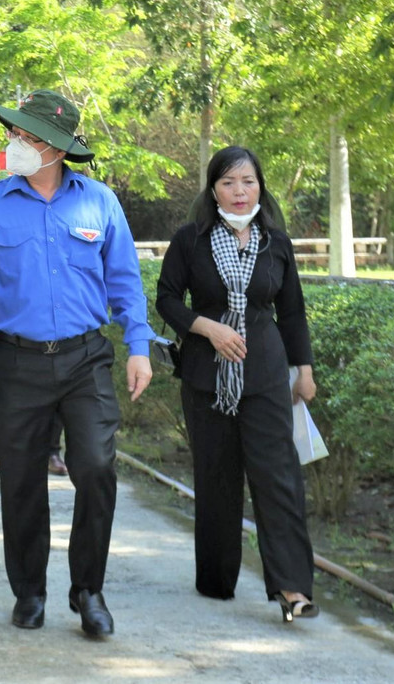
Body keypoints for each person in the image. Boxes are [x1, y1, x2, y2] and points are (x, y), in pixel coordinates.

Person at [0, 89, 153, 639]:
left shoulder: (99, 202)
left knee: (95, 467)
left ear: (57, 148)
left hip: (84, 358)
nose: (16, 143)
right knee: (20, 481)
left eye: (28, 136)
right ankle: (30, 592)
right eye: (14, 134)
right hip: (15, 361)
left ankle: (88, 590)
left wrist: (138, 345)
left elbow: (124, 283)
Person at [155, 145, 318, 622]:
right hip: (207, 375)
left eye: (248, 181)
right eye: (228, 182)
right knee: (217, 477)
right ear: (213, 189)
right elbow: (167, 299)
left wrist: (303, 370)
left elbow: (292, 313)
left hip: (265, 372)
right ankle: (216, 579)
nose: (239, 191)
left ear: (260, 186)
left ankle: (292, 588)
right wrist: (207, 328)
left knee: (278, 477)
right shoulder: (190, 240)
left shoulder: (276, 243)